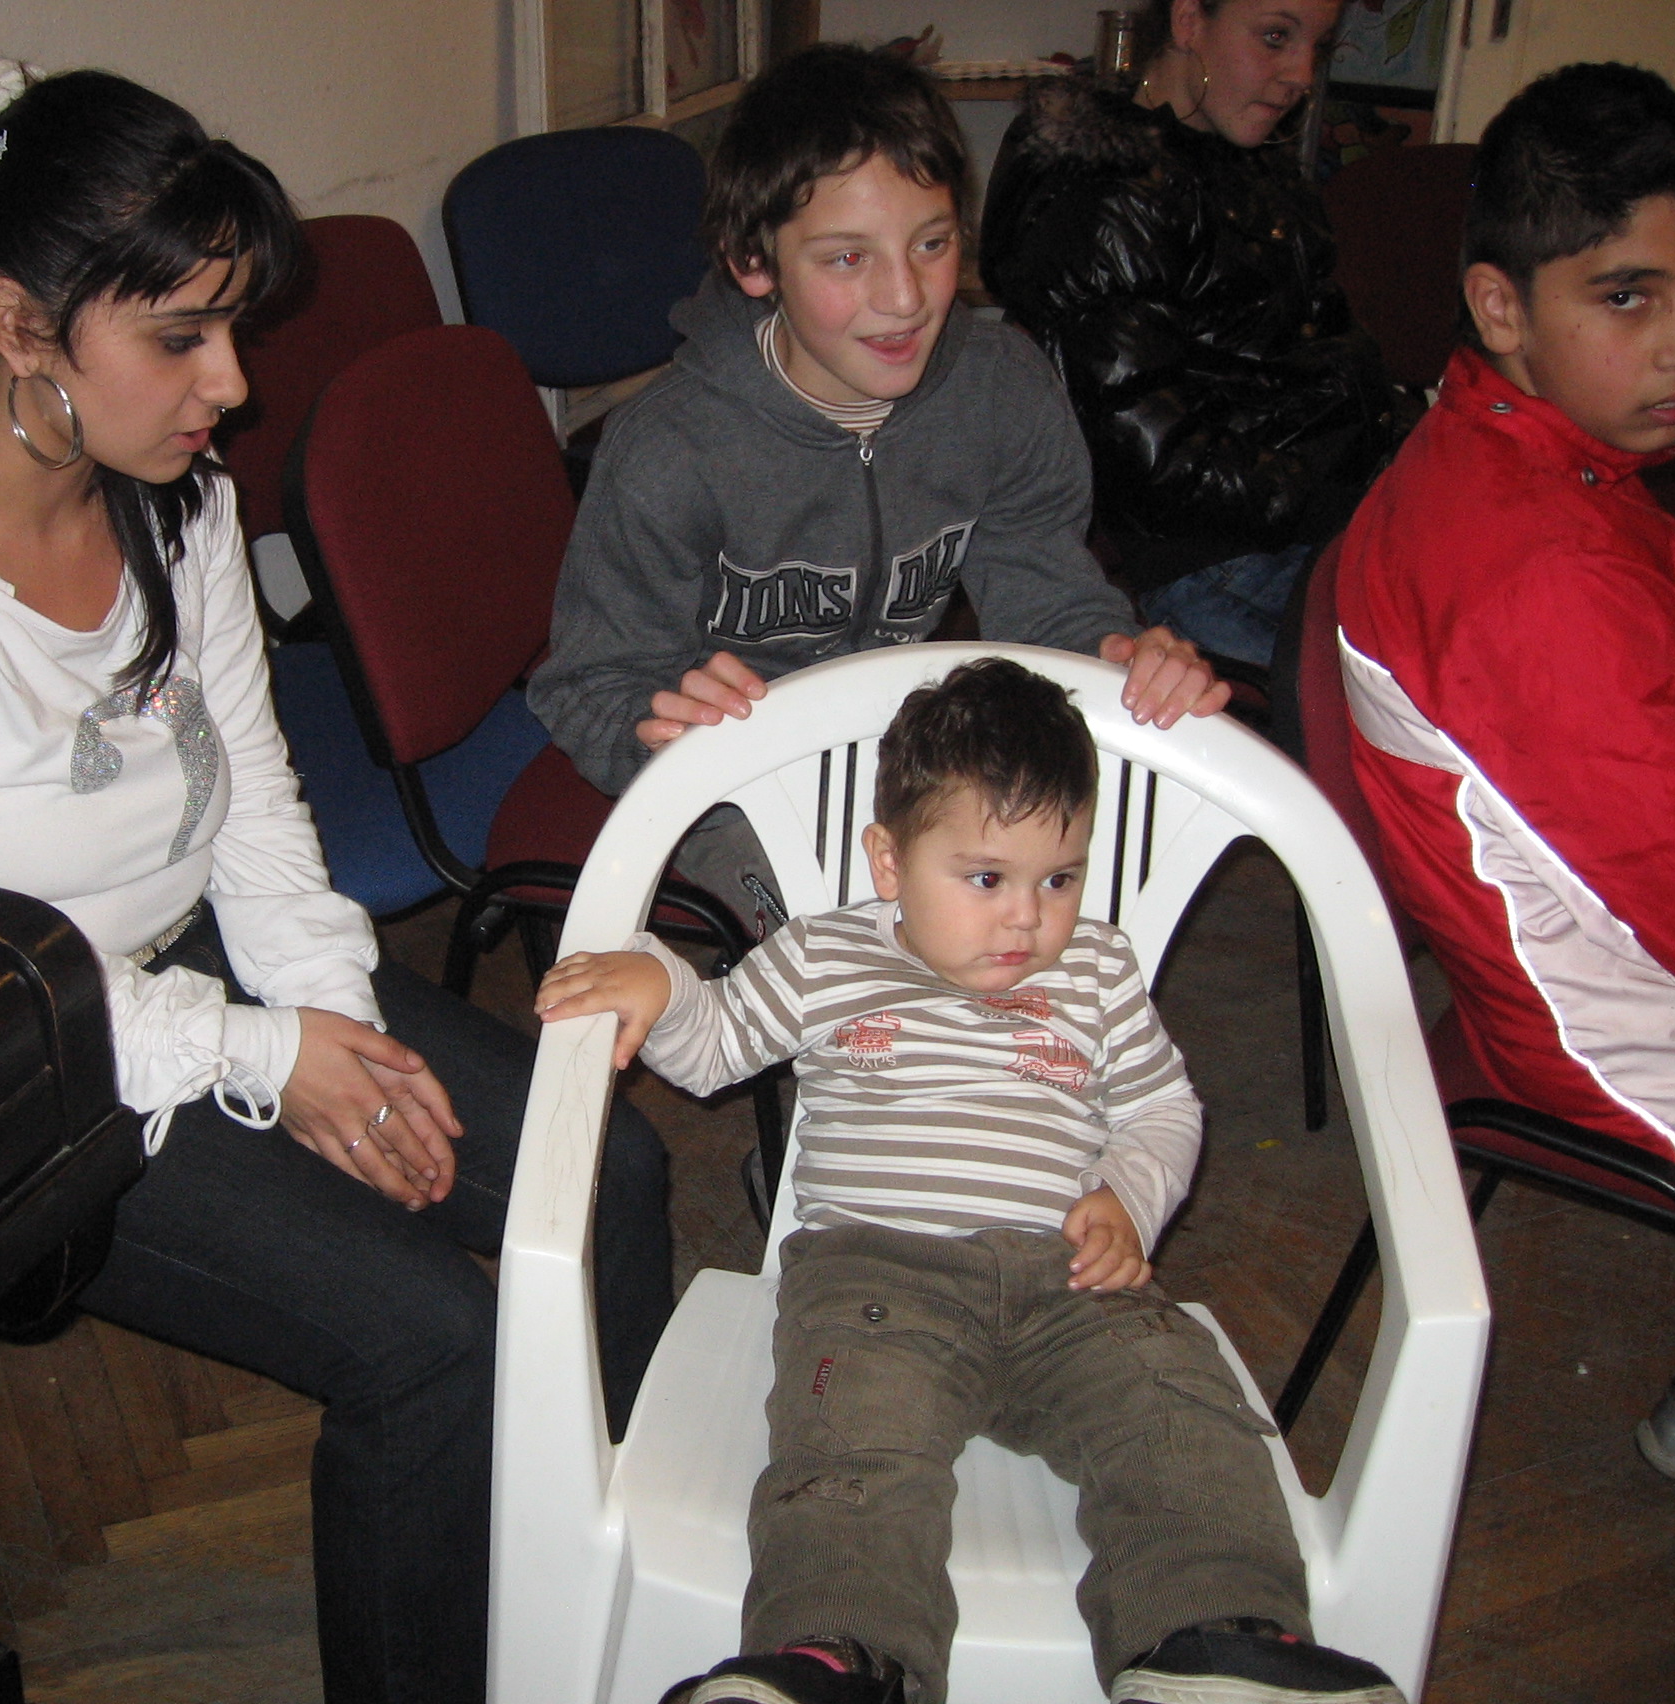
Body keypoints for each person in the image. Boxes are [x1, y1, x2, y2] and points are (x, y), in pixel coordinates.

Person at [0, 51, 674, 1703]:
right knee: (428, 1345)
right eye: (180, 338)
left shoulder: (172, 499)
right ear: (23, 325)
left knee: (612, 1165)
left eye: (230, 329)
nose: (230, 383)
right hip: (1, 1081)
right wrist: (270, 1057)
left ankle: (608, 1563)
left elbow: (250, 801)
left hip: (201, 980)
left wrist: (330, 1016)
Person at [535, 659, 1407, 1704]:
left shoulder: (1097, 970)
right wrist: (666, 982)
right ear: (889, 861)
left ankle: (1215, 1639)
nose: (1026, 920)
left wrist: (1129, 1198)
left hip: (1070, 1280)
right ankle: (834, 1659)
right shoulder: (825, 958)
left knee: (1181, 1419)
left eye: (1060, 879)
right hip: (875, 1278)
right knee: (850, 1461)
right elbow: (717, 1043)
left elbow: (1163, 1110)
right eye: (986, 879)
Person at [1334, 64, 1675, 1495]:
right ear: (1501, 308)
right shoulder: (1540, 572)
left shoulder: (1521, 456)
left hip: (1615, 955)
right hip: (1639, 1039)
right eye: (1627, 297)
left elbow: (1664, 782)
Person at [526, 44, 1227, 937]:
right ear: (754, 261)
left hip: (918, 761)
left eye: (932, 244)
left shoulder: (1002, 390)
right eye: (847, 258)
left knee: (1075, 911)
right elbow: (589, 682)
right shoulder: (669, 450)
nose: (904, 299)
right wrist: (657, 728)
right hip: (734, 792)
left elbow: (1046, 599)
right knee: (882, 961)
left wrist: (1119, 656)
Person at [980, 0, 1403, 669]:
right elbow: (1148, 453)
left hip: (1294, 519)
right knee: (1449, 662)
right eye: (1274, 37)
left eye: (1318, 48)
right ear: (1187, 21)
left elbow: (1325, 350)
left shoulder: (1244, 160)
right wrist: (1327, 492)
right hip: (1218, 560)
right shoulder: (1117, 195)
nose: (1301, 75)